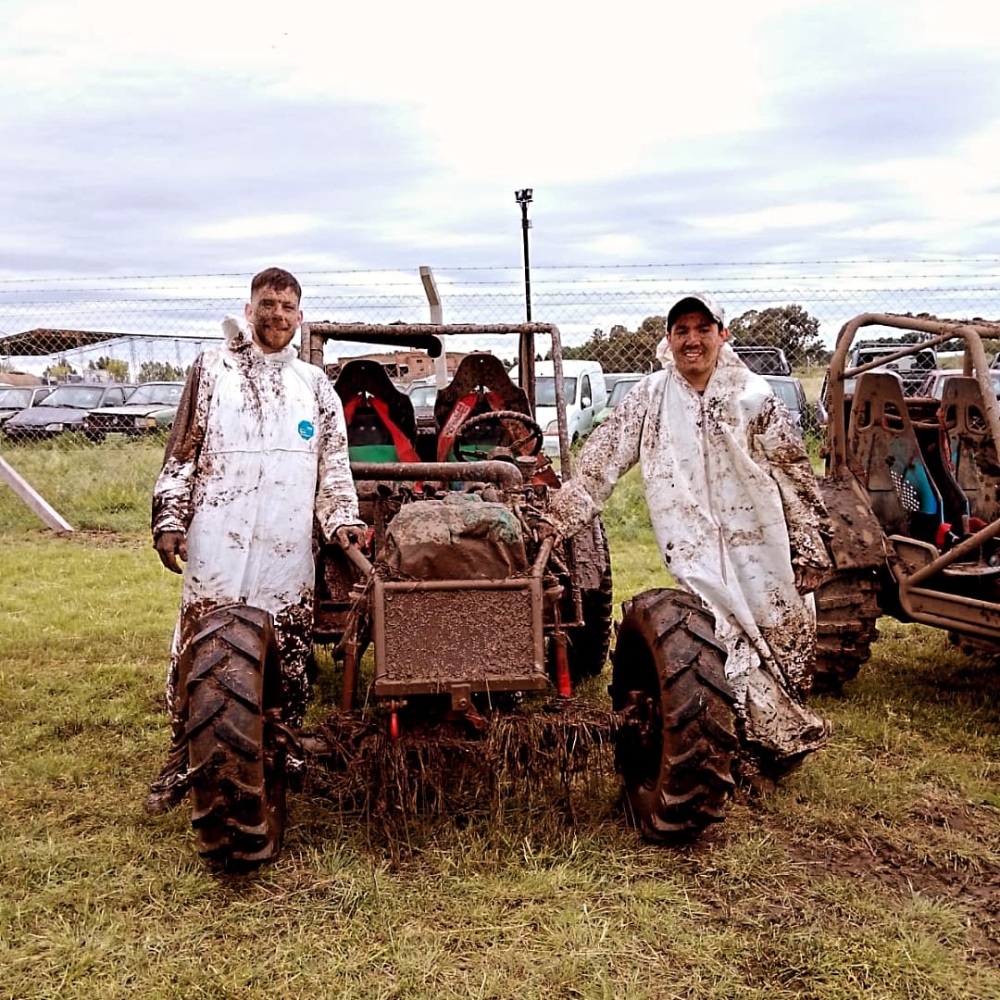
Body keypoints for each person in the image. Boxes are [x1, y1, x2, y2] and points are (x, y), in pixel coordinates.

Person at [547, 293, 833, 779]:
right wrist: (559, 521)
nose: (692, 340)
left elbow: (794, 475)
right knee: (716, 638)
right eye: (681, 331)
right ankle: (733, 742)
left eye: (703, 329)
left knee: (783, 633)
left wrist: (809, 544)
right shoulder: (650, 397)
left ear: (723, 334)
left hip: (760, 541)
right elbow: (601, 462)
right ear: (668, 339)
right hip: (693, 545)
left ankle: (779, 743)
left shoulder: (753, 396)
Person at [146, 267, 364, 814]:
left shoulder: (314, 385)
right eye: (269, 304)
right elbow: (183, 449)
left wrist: (341, 520)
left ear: (300, 316)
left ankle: (284, 743)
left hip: (287, 544)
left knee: (288, 646)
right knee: (203, 646)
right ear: (249, 309)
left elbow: (333, 470)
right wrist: (170, 516)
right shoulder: (211, 369)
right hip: (219, 533)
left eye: (289, 307)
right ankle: (184, 754)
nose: (279, 316)